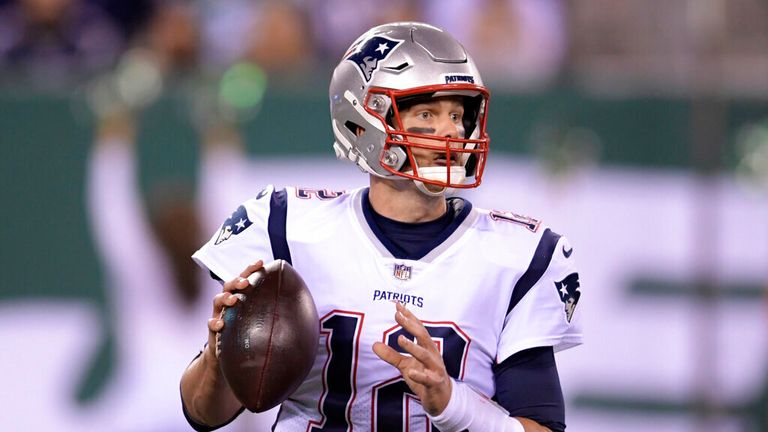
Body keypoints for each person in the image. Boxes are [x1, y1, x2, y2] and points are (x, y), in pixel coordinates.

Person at [180, 22, 583, 432]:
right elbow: (202, 413)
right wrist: (220, 358)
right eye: (427, 113)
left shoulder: (514, 255)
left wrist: (453, 404)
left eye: (458, 114)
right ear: (363, 122)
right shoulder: (286, 227)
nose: (453, 131)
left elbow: (542, 426)